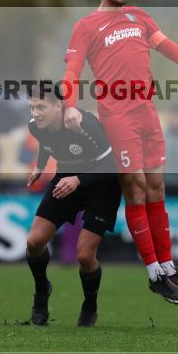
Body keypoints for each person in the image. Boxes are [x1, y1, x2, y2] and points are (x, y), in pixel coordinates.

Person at [61, 0, 178, 304]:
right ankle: (153, 272)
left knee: (156, 186)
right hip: (117, 115)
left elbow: (174, 51)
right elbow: (72, 70)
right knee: (135, 187)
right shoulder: (86, 26)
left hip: (146, 112)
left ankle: (168, 266)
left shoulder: (140, 18)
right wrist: (71, 106)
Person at [24, 83, 122, 327]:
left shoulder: (84, 125)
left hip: (101, 185)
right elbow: (47, 145)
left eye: (41, 107)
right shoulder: (35, 127)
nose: (35, 113)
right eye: (32, 107)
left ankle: (90, 304)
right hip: (67, 179)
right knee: (34, 242)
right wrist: (40, 165)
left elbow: (113, 166)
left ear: (59, 106)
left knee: (85, 255)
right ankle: (42, 291)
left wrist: (78, 179)